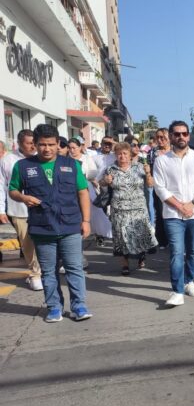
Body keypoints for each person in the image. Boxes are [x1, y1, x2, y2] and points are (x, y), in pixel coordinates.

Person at [9, 124, 92, 322]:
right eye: (42, 144)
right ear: (34, 145)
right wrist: (23, 198)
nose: (47, 149)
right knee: (48, 271)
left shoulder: (71, 165)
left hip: (70, 224)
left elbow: (83, 192)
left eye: (51, 144)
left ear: (58, 144)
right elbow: (13, 191)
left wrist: (86, 221)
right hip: (42, 227)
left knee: (74, 268)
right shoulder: (23, 166)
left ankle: (79, 306)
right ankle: (54, 307)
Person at [153, 121, 194, 307]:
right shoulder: (162, 160)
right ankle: (177, 291)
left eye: (184, 134)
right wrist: (180, 206)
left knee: (193, 251)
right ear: (171, 136)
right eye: (177, 134)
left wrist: (192, 204)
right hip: (172, 214)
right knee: (177, 252)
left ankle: (189, 281)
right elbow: (160, 188)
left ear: (189, 136)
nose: (181, 137)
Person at [100, 142, 157, 275]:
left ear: (130, 155)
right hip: (119, 208)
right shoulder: (111, 169)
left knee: (139, 234)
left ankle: (141, 257)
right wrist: (105, 181)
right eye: (119, 154)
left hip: (138, 208)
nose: (122, 156)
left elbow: (150, 185)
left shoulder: (140, 167)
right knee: (121, 236)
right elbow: (101, 183)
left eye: (125, 153)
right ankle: (125, 264)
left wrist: (148, 174)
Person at [0, 129, 42, 291]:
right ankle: (35, 273)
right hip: (19, 210)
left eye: (34, 142)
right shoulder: (8, 160)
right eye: (29, 143)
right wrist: (1, 210)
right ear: (19, 144)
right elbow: (1, 187)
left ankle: (45, 269)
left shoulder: (41, 158)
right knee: (27, 242)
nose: (33, 146)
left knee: (43, 241)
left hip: (42, 208)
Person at [68, 137, 112, 243]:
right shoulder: (66, 160)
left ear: (80, 147)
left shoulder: (87, 158)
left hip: (85, 186)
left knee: (94, 210)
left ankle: (99, 232)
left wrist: (82, 175)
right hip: (70, 189)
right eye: (70, 148)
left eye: (74, 147)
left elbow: (93, 172)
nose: (72, 150)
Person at [148, 128, 171, 248]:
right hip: (159, 187)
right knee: (161, 212)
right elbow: (149, 170)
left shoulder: (174, 151)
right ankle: (162, 239)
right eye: (158, 137)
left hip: (174, 186)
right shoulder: (152, 153)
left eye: (163, 137)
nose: (160, 140)